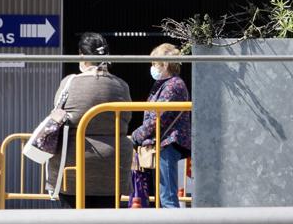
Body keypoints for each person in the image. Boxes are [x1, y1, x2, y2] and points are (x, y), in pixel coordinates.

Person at [49, 32, 133, 209]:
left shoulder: (69, 83)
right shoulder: (121, 85)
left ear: (82, 56)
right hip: (113, 166)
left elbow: (58, 114)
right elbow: (127, 118)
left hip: (74, 166)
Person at [130, 43, 191, 209]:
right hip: (163, 143)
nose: (152, 68)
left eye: (154, 63)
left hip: (167, 144)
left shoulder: (173, 85)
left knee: (168, 197)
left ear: (164, 64)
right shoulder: (166, 84)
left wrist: (137, 135)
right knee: (163, 196)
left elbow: (159, 117)